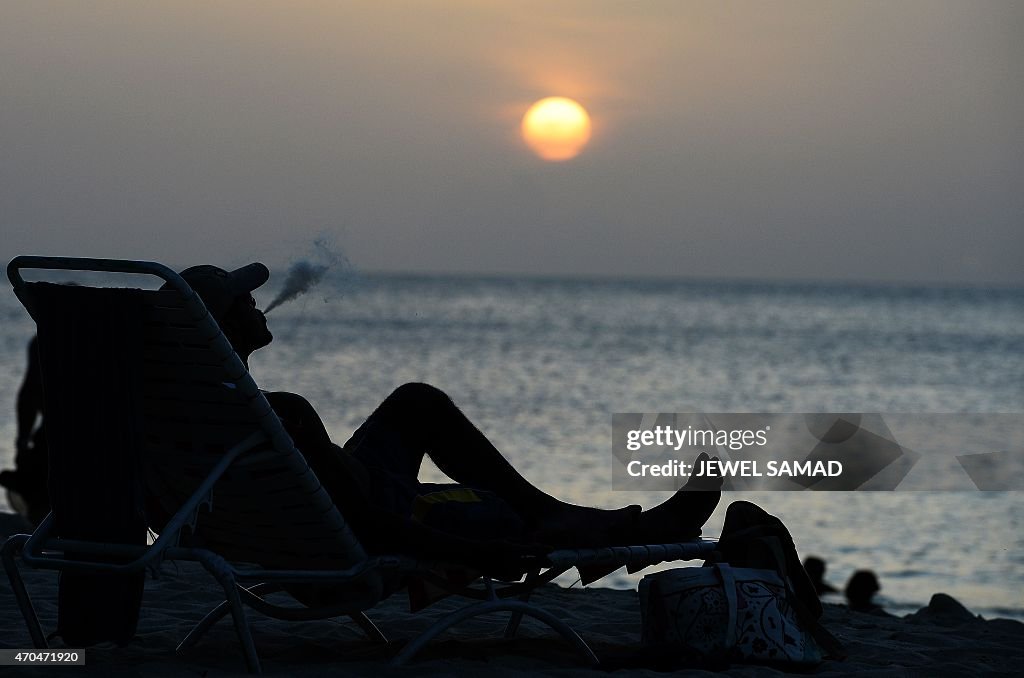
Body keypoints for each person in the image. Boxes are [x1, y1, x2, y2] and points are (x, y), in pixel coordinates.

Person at [169, 263, 724, 571]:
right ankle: (639, 527)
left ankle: (559, 513)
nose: (254, 304)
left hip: (307, 522)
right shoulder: (281, 414)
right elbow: (368, 526)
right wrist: (480, 556)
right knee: (507, 513)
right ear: (221, 329)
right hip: (392, 524)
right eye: (241, 302)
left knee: (416, 401)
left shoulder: (197, 416)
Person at [0, 336, 49, 524]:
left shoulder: (44, 342)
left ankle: (41, 525)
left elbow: (28, 397)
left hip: (55, 448)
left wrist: (22, 442)